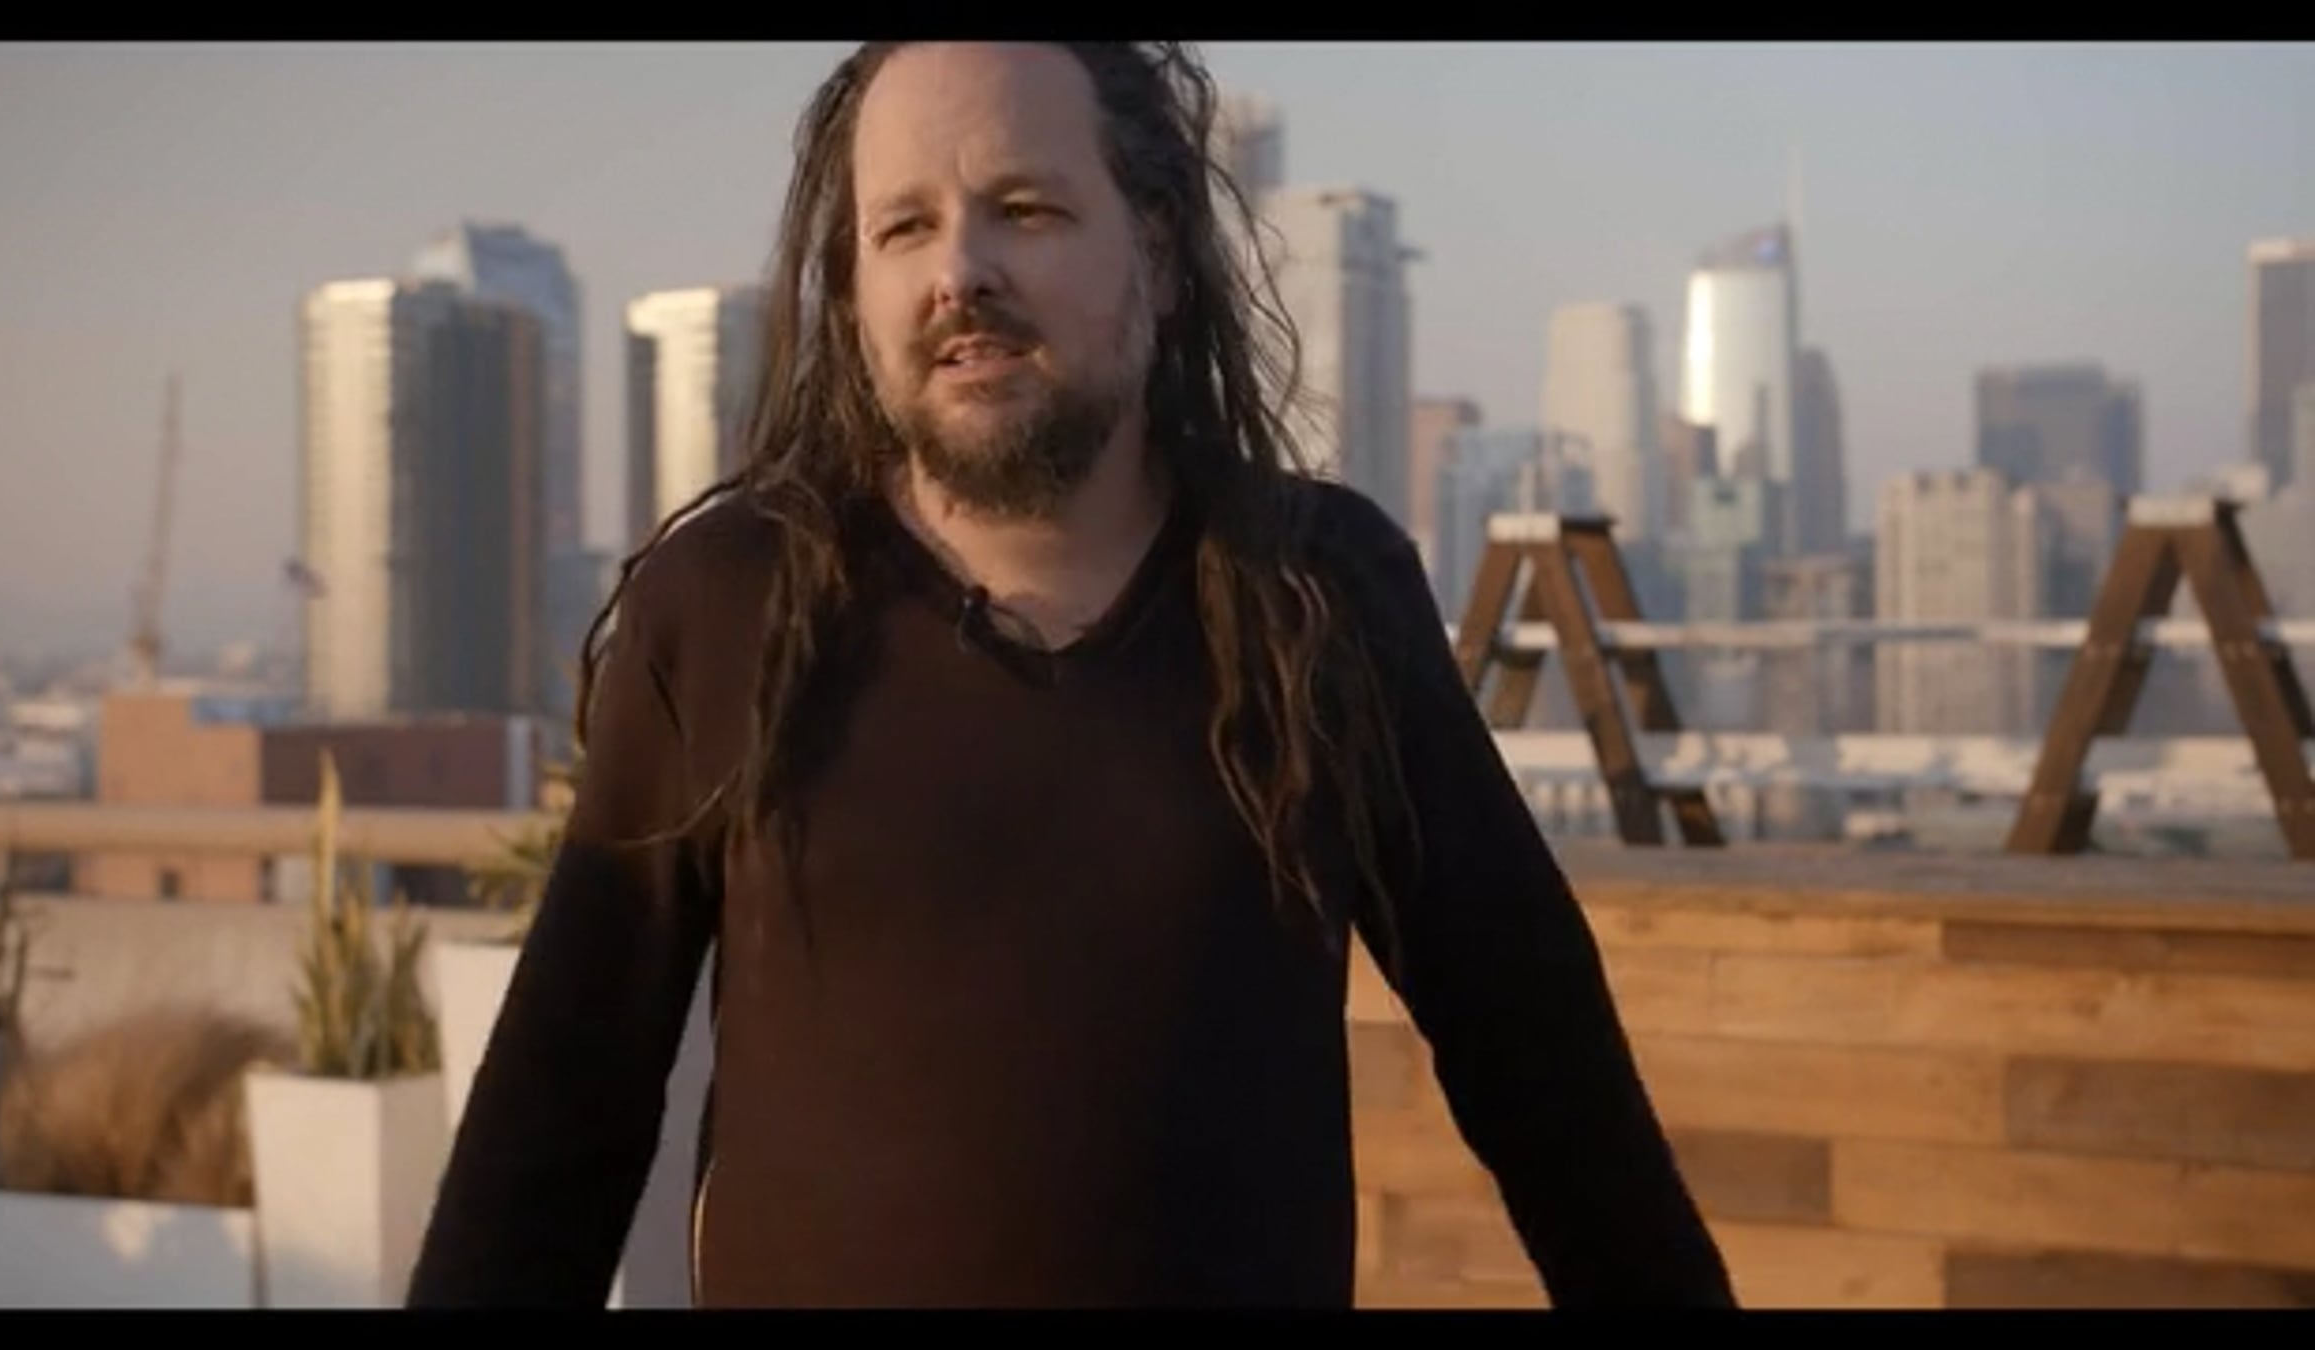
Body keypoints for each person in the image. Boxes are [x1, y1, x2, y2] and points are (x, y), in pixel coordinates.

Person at [405, 40, 1734, 1310]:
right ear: (854, 290)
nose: (959, 272)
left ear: (1156, 250)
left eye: (1025, 210)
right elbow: (555, 1123)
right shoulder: (727, 606)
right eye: (904, 227)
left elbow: (1548, 1079)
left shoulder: (1318, 595)